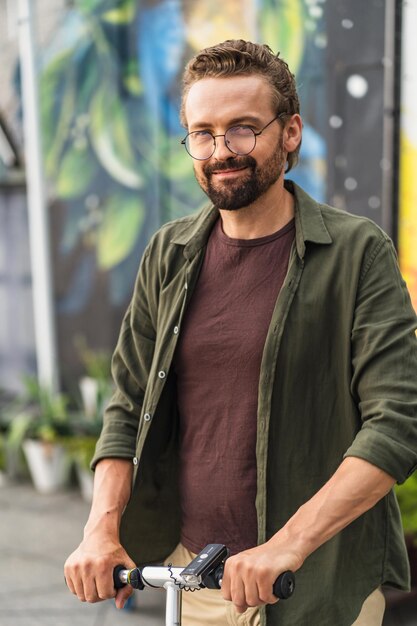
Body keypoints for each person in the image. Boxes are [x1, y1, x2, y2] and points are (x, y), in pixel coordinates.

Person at [64, 40, 417, 626]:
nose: (221, 150)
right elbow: (127, 409)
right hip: (193, 583)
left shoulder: (358, 253)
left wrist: (288, 544)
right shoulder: (168, 252)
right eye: (202, 133)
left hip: (316, 587)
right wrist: (102, 529)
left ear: (291, 132)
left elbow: (396, 425)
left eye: (244, 129)